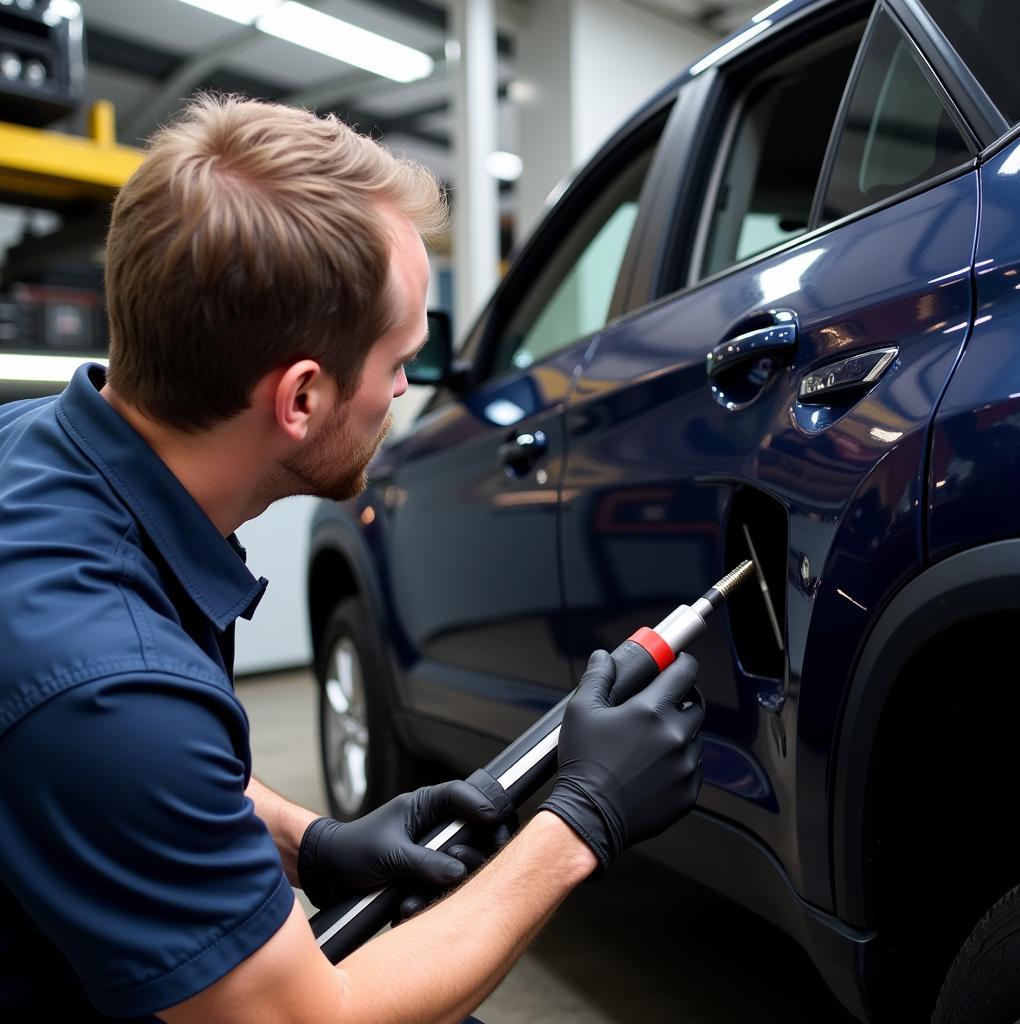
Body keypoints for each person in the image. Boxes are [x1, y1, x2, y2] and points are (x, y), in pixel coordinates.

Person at [0, 95, 704, 1023]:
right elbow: (304, 1019)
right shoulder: (111, 680)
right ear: (300, 397)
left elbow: (104, 779)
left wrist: (308, 839)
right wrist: (578, 823)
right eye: (399, 358)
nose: (409, 388)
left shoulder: (33, 453)